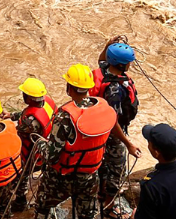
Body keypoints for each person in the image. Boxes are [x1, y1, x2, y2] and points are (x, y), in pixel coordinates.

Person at [34, 64, 117, 219]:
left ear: (69, 87)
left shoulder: (64, 117)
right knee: (86, 214)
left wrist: (39, 142)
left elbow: (51, 156)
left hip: (61, 178)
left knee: (43, 206)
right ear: (89, 88)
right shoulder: (103, 107)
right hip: (90, 176)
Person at [92, 39, 142, 218]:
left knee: (104, 163)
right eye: (129, 62)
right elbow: (112, 121)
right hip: (114, 133)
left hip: (103, 130)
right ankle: (109, 206)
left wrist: (108, 45)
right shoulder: (114, 89)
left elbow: (101, 59)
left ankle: (101, 192)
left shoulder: (106, 69)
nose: (130, 64)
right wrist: (128, 143)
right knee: (116, 169)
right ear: (122, 64)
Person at [0, 77, 57, 212]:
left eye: (24, 94)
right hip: (45, 150)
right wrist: (11, 115)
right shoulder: (47, 103)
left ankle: (20, 201)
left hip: (31, 155)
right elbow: (28, 114)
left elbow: (15, 131)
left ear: (29, 98)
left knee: (21, 178)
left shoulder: (31, 123)